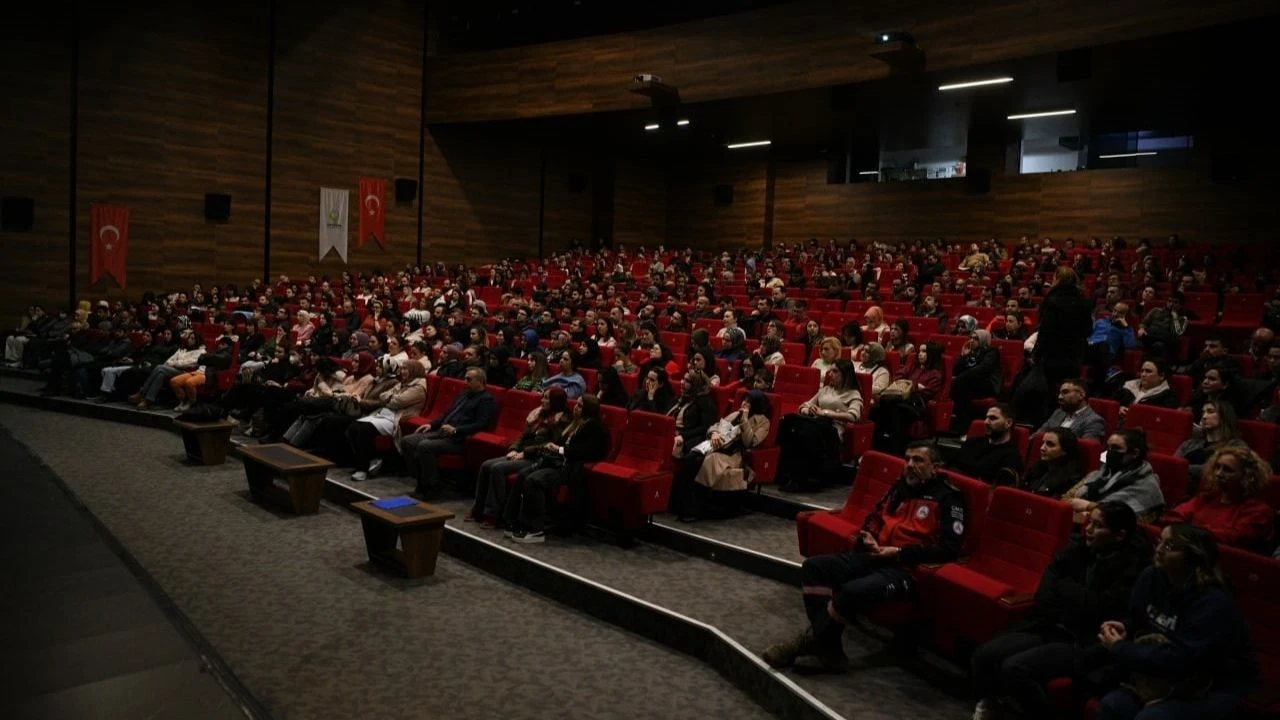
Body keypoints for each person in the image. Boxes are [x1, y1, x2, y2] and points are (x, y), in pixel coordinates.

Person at [763, 442, 966, 672]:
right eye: (907, 459)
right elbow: (873, 519)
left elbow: (950, 549)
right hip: (877, 555)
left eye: (918, 460)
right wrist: (865, 537)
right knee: (814, 567)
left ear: (935, 467)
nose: (910, 465)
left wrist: (901, 553)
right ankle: (828, 645)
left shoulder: (949, 498)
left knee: (851, 590)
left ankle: (805, 644)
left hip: (907, 570)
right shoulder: (900, 487)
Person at [970, 503, 1150, 720]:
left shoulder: (1134, 568)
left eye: (1097, 525)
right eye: (1089, 522)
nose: (1088, 530)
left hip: (1083, 640)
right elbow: (1044, 594)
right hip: (1049, 624)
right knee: (985, 655)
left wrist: (1065, 589)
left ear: (1119, 535)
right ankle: (992, 705)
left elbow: (1099, 607)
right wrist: (1076, 599)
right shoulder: (1077, 548)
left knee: (1015, 669)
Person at [1094, 525, 1259, 720]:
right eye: (1160, 542)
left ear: (1193, 559)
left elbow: (1183, 658)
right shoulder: (1151, 576)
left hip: (1213, 682)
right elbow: (1140, 620)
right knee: (1112, 705)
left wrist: (1120, 648)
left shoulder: (1213, 601)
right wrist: (1125, 628)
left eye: (1169, 546)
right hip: (1162, 673)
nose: (1158, 549)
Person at [502, 395, 611, 543]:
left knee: (534, 480)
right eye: (576, 404)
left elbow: (586, 452)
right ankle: (512, 521)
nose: (575, 407)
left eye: (579, 406)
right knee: (522, 475)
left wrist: (559, 449)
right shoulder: (575, 423)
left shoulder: (595, 427)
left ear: (588, 409)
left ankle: (535, 530)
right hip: (555, 461)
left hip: (570, 467)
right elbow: (561, 442)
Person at [469, 387, 569, 527]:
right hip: (521, 453)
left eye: (546, 398)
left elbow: (549, 445)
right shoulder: (539, 414)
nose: (542, 400)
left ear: (555, 401)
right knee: (486, 465)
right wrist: (514, 448)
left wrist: (525, 453)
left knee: (498, 468)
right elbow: (523, 436)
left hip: (537, 458)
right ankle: (478, 509)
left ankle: (494, 514)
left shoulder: (562, 420)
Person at [669, 390, 772, 521]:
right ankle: (681, 504)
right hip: (716, 445)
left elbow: (749, 442)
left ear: (757, 404)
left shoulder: (763, 422)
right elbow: (716, 425)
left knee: (702, 462)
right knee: (690, 458)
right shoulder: (735, 414)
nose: (745, 404)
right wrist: (714, 433)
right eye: (744, 400)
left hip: (733, 455)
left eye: (749, 402)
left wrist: (745, 420)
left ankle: (693, 510)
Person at [402, 367, 498, 496]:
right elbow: (447, 414)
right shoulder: (464, 395)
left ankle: (432, 487)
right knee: (407, 441)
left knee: (425, 446)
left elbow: (481, 424)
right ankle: (421, 479)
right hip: (441, 432)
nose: (465, 382)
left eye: (469, 379)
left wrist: (456, 430)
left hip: (459, 439)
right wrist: (431, 425)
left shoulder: (487, 400)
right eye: (465, 378)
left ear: (480, 381)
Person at [1161, 446, 1275, 553]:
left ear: (1246, 476)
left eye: (1228, 470)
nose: (1219, 474)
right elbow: (1172, 517)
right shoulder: (1206, 498)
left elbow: (1234, 538)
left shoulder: (1258, 511)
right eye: (1217, 467)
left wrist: (1188, 531)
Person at [776, 359, 864, 492]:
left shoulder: (853, 394)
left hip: (832, 431)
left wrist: (826, 413)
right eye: (830, 371)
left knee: (805, 431)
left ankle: (798, 479)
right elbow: (804, 405)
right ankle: (786, 475)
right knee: (788, 421)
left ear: (845, 374)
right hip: (815, 423)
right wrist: (808, 410)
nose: (830, 374)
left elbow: (854, 416)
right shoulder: (826, 389)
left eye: (835, 371)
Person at [345, 361, 429, 481]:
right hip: (384, 414)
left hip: (396, 419)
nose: (403, 372)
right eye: (402, 368)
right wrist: (390, 398)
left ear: (414, 370)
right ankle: (371, 459)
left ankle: (362, 469)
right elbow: (383, 396)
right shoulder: (402, 384)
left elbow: (397, 402)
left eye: (406, 369)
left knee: (363, 429)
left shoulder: (419, 388)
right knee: (353, 427)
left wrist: (390, 398)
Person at [1064, 429, 1164, 522]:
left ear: (1134, 453)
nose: (1110, 452)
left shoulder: (1147, 486)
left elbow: (1128, 519)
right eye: (1109, 447)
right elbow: (1065, 498)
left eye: (1116, 448)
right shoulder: (1098, 474)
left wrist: (1089, 507)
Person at [1033, 267, 1094, 406]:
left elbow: (1045, 332)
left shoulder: (1052, 300)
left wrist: (1036, 355)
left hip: (1053, 355)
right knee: (1070, 394)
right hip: (1074, 355)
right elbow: (1088, 330)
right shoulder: (1083, 301)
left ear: (1058, 280)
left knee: (1051, 395)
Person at [871, 341, 945, 456]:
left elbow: (927, 393)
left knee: (897, 411)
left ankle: (895, 453)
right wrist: (914, 385)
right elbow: (898, 377)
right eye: (919, 351)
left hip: (916, 406)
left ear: (932, 354)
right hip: (899, 402)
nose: (920, 354)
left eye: (924, 351)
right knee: (877, 411)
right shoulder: (912, 367)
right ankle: (875, 450)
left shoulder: (935, 374)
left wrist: (912, 386)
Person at [1173, 400, 1247, 499]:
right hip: (1181, 486)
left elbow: (1215, 470)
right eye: (1203, 412)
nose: (1204, 417)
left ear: (1224, 416)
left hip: (1214, 493)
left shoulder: (1235, 445)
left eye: (1210, 412)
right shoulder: (1189, 444)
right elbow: (1174, 465)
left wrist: (1185, 468)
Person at [951, 403, 1025, 486]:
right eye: (986, 417)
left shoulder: (1012, 457)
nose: (986, 422)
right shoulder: (972, 442)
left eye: (993, 418)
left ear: (1008, 423)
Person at [949, 329, 1002, 433]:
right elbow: (955, 370)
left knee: (962, 380)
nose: (972, 341)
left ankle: (963, 426)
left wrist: (965, 375)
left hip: (988, 384)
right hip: (969, 385)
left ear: (983, 340)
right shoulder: (970, 353)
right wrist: (963, 356)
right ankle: (964, 426)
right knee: (963, 390)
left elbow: (983, 369)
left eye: (976, 339)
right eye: (971, 338)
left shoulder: (991, 351)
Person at [667, 369, 718, 463]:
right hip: (668, 433)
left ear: (696, 385)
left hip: (685, 439)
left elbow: (705, 427)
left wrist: (683, 436)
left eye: (687, 381)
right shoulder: (681, 398)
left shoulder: (705, 402)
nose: (682, 382)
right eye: (683, 379)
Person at [1021, 427, 1087, 498]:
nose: (1042, 448)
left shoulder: (1070, 479)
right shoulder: (1036, 467)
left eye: (1050, 444)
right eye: (1043, 443)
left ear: (1065, 451)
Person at [1037, 378, 1107, 441]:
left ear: (1081, 395)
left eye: (1065, 392)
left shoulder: (1094, 421)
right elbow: (1038, 435)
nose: (1059, 397)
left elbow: (1086, 451)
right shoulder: (1058, 412)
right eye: (1059, 393)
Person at [1114, 360, 1179, 421]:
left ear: (1161, 376)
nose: (1143, 374)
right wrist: (1118, 408)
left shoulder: (1168, 397)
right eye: (1142, 371)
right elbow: (1111, 404)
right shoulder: (1127, 387)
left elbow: (1161, 420)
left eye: (1148, 371)